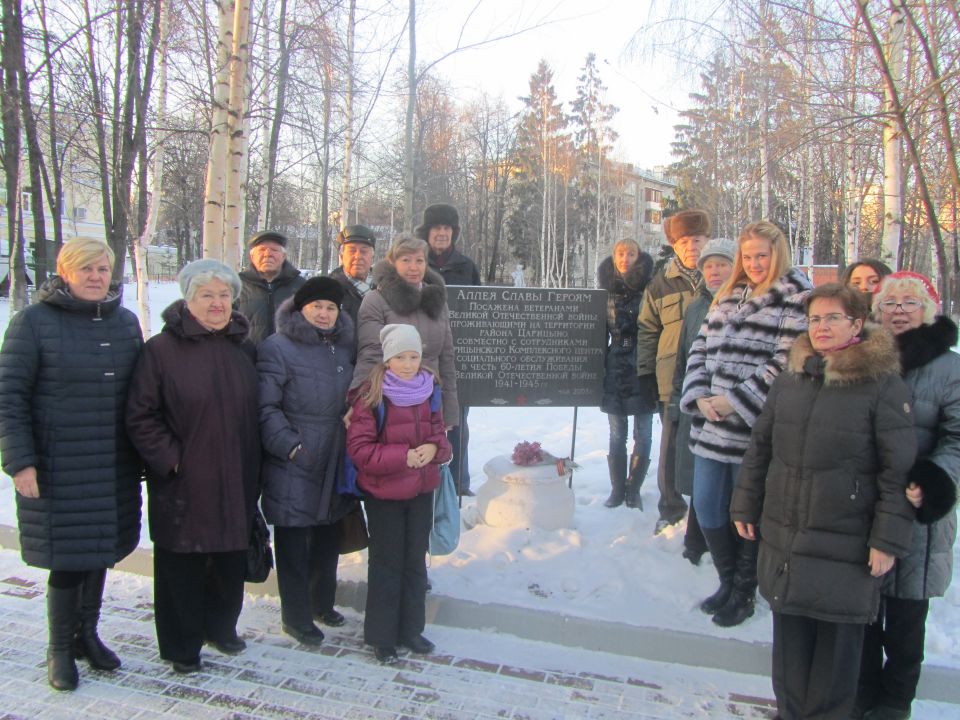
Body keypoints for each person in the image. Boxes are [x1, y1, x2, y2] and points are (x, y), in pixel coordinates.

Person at [730, 283, 916, 720]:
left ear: (856, 323)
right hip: (786, 540)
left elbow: (898, 470)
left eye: (833, 317)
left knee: (834, 670)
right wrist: (745, 502)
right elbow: (761, 445)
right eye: (815, 319)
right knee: (789, 660)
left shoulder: (882, 385)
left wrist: (887, 539)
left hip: (846, 547)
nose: (822, 327)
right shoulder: (793, 377)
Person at [0, 238, 143, 691]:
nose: (97, 277)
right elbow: (9, 398)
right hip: (58, 464)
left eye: (103, 269)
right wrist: (21, 462)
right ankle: (59, 648)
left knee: (99, 550)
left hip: (112, 464)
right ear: (65, 273)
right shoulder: (33, 323)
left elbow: (139, 396)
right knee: (67, 559)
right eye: (87, 270)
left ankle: (87, 635)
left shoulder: (124, 323)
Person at [126, 259, 261, 674]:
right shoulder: (161, 351)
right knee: (181, 566)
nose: (218, 304)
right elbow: (140, 415)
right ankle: (181, 646)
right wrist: (173, 461)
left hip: (237, 474)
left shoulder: (244, 347)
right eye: (207, 295)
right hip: (185, 480)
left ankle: (220, 627)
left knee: (228, 559)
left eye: (224, 295)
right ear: (189, 300)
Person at [680, 221, 812, 627]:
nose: (754, 263)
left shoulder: (795, 296)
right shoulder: (729, 294)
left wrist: (735, 400)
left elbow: (786, 360)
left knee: (745, 511)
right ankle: (726, 580)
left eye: (762, 255)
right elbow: (699, 348)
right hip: (710, 423)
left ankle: (744, 591)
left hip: (752, 429)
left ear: (778, 255)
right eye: (749, 256)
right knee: (705, 505)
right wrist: (701, 396)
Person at [855, 272, 960, 720]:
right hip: (864, 506)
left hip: (919, 509)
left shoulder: (949, 368)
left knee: (904, 617)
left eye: (909, 302)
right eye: (890, 302)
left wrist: (935, 479)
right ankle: (859, 696)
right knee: (861, 613)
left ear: (928, 310)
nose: (898, 310)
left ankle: (895, 703)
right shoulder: (859, 358)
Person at [257, 277, 356, 647]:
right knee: (295, 537)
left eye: (331, 307)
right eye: (317, 306)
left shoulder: (344, 346)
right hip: (295, 456)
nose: (325, 313)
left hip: (335, 451)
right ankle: (295, 616)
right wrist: (290, 447)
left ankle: (321, 603)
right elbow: (265, 406)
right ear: (301, 309)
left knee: (327, 532)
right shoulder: (278, 347)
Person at [346, 324, 453, 664]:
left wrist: (432, 450)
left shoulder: (430, 389)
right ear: (388, 358)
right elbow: (360, 450)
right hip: (385, 494)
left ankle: (411, 629)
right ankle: (382, 635)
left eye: (413, 357)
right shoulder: (372, 394)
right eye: (400, 357)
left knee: (414, 562)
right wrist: (402, 457)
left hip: (420, 492)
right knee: (387, 563)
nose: (408, 364)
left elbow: (441, 437)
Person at [637, 209, 709, 534]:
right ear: (674, 245)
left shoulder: (723, 277)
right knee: (670, 447)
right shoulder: (661, 283)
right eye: (684, 241)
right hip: (671, 381)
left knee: (711, 446)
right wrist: (645, 375)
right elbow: (647, 330)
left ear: (707, 240)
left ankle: (706, 508)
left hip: (712, 383)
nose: (691, 247)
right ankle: (670, 506)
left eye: (697, 240)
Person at [670, 237, 736, 564]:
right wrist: (676, 402)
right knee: (697, 476)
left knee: (725, 487)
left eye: (722, 264)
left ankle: (724, 551)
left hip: (731, 411)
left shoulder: (745, 304)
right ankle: (695, 538)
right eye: (709, 265)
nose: (714, 271)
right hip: (695, 405)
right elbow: (683, 359)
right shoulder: (697, 306)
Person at [352, 233, 459, 432]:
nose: (413, 267)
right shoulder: (376, 300)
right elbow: (370, 355)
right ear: (392, 263)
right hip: (391, 404)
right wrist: (358, 403)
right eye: (406, 260)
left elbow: (446, 358)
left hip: (430, 402)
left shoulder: (437, 301)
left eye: (419, 260)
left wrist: (450, 410)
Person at [417, 203, 479, 495]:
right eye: (436, 228)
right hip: (419, 357)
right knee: (418, 420)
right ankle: (423, 480)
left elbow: (479, 308)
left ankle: (458, 482)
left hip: (458, 356)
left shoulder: (467, 267)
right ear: (427, 232)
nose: (441, 233)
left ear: (454, 232)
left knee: (457, 422)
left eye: (447, 228)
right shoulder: (416, 263)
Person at [597, 239, 655, 509]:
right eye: (621, 253)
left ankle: (634, 489)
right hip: (615, 365)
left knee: (643, 433)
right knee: (616, 432)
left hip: (643, 365)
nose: (625, 258)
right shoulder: (605, 292)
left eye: (631, 253)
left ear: (638, 256)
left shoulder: (650, 289)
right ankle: (617, 489)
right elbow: (598, 334)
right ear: (614, 256)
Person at [236, 230, 305, 344]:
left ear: (283, 256)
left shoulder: (301, 286)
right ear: (252, 256)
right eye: (262, 250)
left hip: (287, 359)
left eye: (274, 250)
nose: (268, 254)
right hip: (247, 358)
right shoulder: (237, 286)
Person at [329, 224, 377, 329]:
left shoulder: (386, 289)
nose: (358, 256)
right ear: (342, 256)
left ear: (372, 256)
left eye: (364, 251)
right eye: (352, 251)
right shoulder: (328, 290)